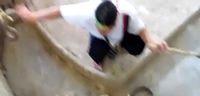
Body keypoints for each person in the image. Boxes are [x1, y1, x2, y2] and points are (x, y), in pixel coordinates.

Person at [15, 0, 169, 70]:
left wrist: (150, 42)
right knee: (96, 53)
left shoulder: (127, 13)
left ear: (115, 23)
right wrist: (32, 16)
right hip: (99, 40)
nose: (101, 29)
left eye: (105, 28)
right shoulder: (85, 12)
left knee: (138, 48)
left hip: (122, 34)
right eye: (98, 25)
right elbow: (59, 12)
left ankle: (119, 45)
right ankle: (99, 61)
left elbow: (140, 28)